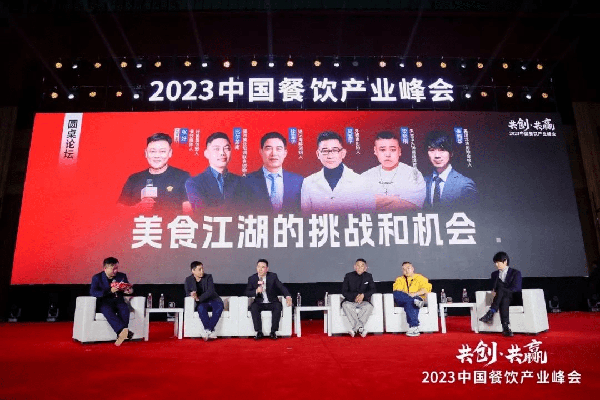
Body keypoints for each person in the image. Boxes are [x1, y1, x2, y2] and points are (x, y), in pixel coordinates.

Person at [301, 131, 374, 214]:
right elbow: (306, 218)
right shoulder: (308, 183)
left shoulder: (361, 182)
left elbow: (369, 217)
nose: (330, 156)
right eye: (325, 151)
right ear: (318, 154)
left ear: (343, 153)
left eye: (335, 150)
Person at [118, 133, 191, 212]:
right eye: (152, 151)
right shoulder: (134, 179)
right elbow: (118, 209)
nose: (157, 156)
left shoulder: (182, 177)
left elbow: (189, 210)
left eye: (162, 151)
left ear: (170, 153)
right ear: (146, 153)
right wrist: (136, 208)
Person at [361, 131, 426, 211]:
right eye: (382, 150)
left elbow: (413, 207)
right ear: (375, 151)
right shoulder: (365, 177)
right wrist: (396, 200)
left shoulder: (413, 174)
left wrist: (375, 201)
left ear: (399, 151)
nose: (388, 154)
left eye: (392, 150)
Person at [244, 132, 304, 214]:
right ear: (261, 152)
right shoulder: (246, 181)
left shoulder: (298, 182)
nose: (274, 153)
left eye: (278, 149)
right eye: (268, 148)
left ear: (285, 153)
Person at [185, 132, 244, 211]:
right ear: (206, 154)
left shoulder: (241, 181)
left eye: (226, 148)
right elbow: (201, 212)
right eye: (216, 149)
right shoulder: (194, 183)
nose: (222, 153)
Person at [422, 131, 477, 208]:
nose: (437, 155)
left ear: (451, 153)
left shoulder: (464, 184)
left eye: (442, 150)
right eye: (432, 150)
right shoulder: (422, 182)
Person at [90, 257, 134, 346]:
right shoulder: (97, 278)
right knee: (107, 310)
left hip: (118, 301)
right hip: (105, 302)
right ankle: (123, 332)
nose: (115, 271)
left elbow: (129, 288)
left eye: (116, 268)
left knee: (124, 309)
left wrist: (129, 291)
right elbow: (93, 292)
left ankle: (121, 334)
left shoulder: (122, 276)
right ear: (105, 268)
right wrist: (109, 291)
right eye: (113, 269)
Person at [244, 259, 292, 340]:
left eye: (263, 267)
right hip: (259, 302)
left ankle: (273, 332)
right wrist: (256, 291)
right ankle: (259, 332)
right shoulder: (252, 278)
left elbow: (281, 287)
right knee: (254, 307)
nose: (260, 269)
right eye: (258, 267)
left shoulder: (273, 276)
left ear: (267, 269)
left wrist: (288, 296)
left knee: (278, 306)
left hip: (272, 302)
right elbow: (247, 292)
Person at [479, 251, 522, 337]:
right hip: (500, 299)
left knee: (502, 291)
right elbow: (493, 288)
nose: (496, 265)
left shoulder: (515, 273)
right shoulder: (494, 274)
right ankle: (505, 328)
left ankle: (491, 312)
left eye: (498, 262)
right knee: (504, 299)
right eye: (495, 263)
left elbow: (516, 288)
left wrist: (502, 291)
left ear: (505, 261)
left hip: (513, 298)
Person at [184, 261, 224, 340]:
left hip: (213, 299)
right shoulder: (188, 280)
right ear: (193, 271)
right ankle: (210, 332)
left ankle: (207, 330)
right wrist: (192, 294)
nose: (202, 271)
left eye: (202, 269)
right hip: (202, 302)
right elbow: (187, 292)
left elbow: (211, 291)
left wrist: (198, 298)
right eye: (199, 269)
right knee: (201, 308)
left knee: (219, 306)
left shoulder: (208, 277)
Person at [392, 261, 432, 337]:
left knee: (411, 303)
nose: (406, 271)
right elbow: (398, 290)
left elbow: (426, 289)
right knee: (397, 294)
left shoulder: (420, 278)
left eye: (408, 268)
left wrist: (415, 294)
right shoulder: (399, 279)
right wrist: (410, 296)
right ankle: (414, 301)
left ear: (413, 269)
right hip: (403, 299)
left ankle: (414, 327)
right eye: (404, 269)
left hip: (417, 297)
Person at [341, 258, 376, 337]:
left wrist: (363, 295)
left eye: (362, 266)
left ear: (365, 268)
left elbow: (373, 289)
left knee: (369, 307)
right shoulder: (348, 276)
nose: (360, 268)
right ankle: (360, 328)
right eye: (358, 266)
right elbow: (344, 291)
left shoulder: (368, 276)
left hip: (363, 301)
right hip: (350, 301)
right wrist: (355, 297)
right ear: (354, 267)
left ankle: (355, 329)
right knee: (345, 305)